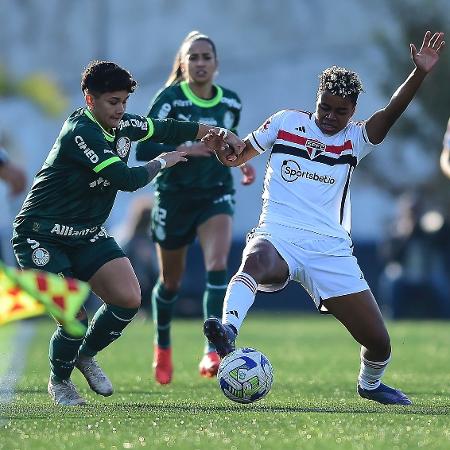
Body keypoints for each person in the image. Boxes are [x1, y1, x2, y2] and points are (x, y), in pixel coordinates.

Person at [202, 31, 445, 405]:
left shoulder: (355, 139)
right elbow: (236, 156)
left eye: (340, 111)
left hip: (329, 249)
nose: (330, 117)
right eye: (324, 107)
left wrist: (419, 74)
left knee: (379, 342)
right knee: (255, 260)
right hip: (278, 233)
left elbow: (391, 113)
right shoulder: (284, 123)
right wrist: (222, 149)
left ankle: (370, 384)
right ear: (316, 100)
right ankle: (227, 331)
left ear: (353, 111)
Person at [11, 60, 243, 406]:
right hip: (40, 235)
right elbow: (126, 179)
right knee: (74, 316)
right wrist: (164, 161)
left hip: (86, 233)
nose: (120, 110)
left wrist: (214, 132)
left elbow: (163, 127)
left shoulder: (123, 123)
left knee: (129, 298)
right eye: (112, 102)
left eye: (123, 102)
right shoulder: (81, 132)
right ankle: (60, 382)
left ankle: (84, 356)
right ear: (89, 99)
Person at [135, 31, 255, 384]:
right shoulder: (170, 100)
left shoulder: (230, 102)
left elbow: (228, 146)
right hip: (174, 197)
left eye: (207, 57)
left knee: (218, 265)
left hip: (215, 192)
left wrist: (241, 160)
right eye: (194, 57)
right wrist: (189, 146)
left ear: (216, 64)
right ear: (183, 64)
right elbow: (141, 150)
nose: (201, 63)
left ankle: (211, 351)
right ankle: (163, 347)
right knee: (170, 282)